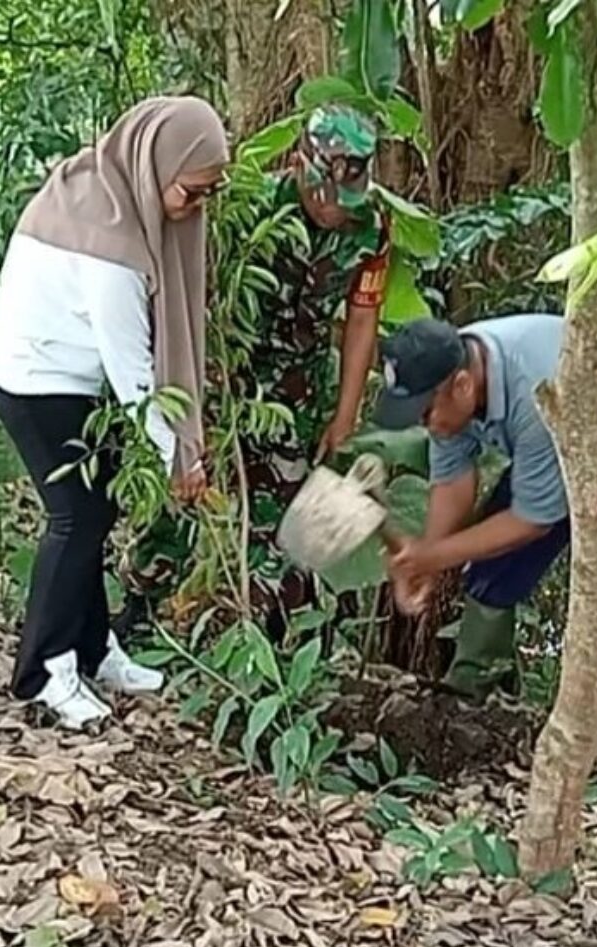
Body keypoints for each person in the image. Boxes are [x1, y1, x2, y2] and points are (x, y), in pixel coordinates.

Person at [0, 96, 229, 730]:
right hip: (31, 377)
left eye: (209, 193)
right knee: (77, 516)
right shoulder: (111, 247)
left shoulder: (106, 184)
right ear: (155, 164)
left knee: (96, 509)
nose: (196, 208)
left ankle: (93, 648)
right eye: (191, 191)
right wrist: (178, 457)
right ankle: (44, 671)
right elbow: (132, 373)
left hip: (66, 374)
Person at [373, 314, 597, 762]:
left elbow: (531, 521)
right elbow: (453, 481)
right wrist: (428, 563)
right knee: (493, 571)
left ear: (461, 385)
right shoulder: (449, 381)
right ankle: (471, 701)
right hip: (574, 445)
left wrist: (429, 556)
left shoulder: (534, 386)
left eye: (425, 413)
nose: (426, 424)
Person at [122, 104, 391, 631]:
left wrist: (345, 414)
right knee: (185, 497)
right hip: (226, 379)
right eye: (324, 194)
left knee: (283, 515)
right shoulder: (250, 209)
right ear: (299, 165)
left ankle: (267, 632)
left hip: (297, 393)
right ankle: (139, 602)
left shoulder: (373, 228)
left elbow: (363, 318)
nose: (334, 209)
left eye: (345, 198)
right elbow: (193, 297)